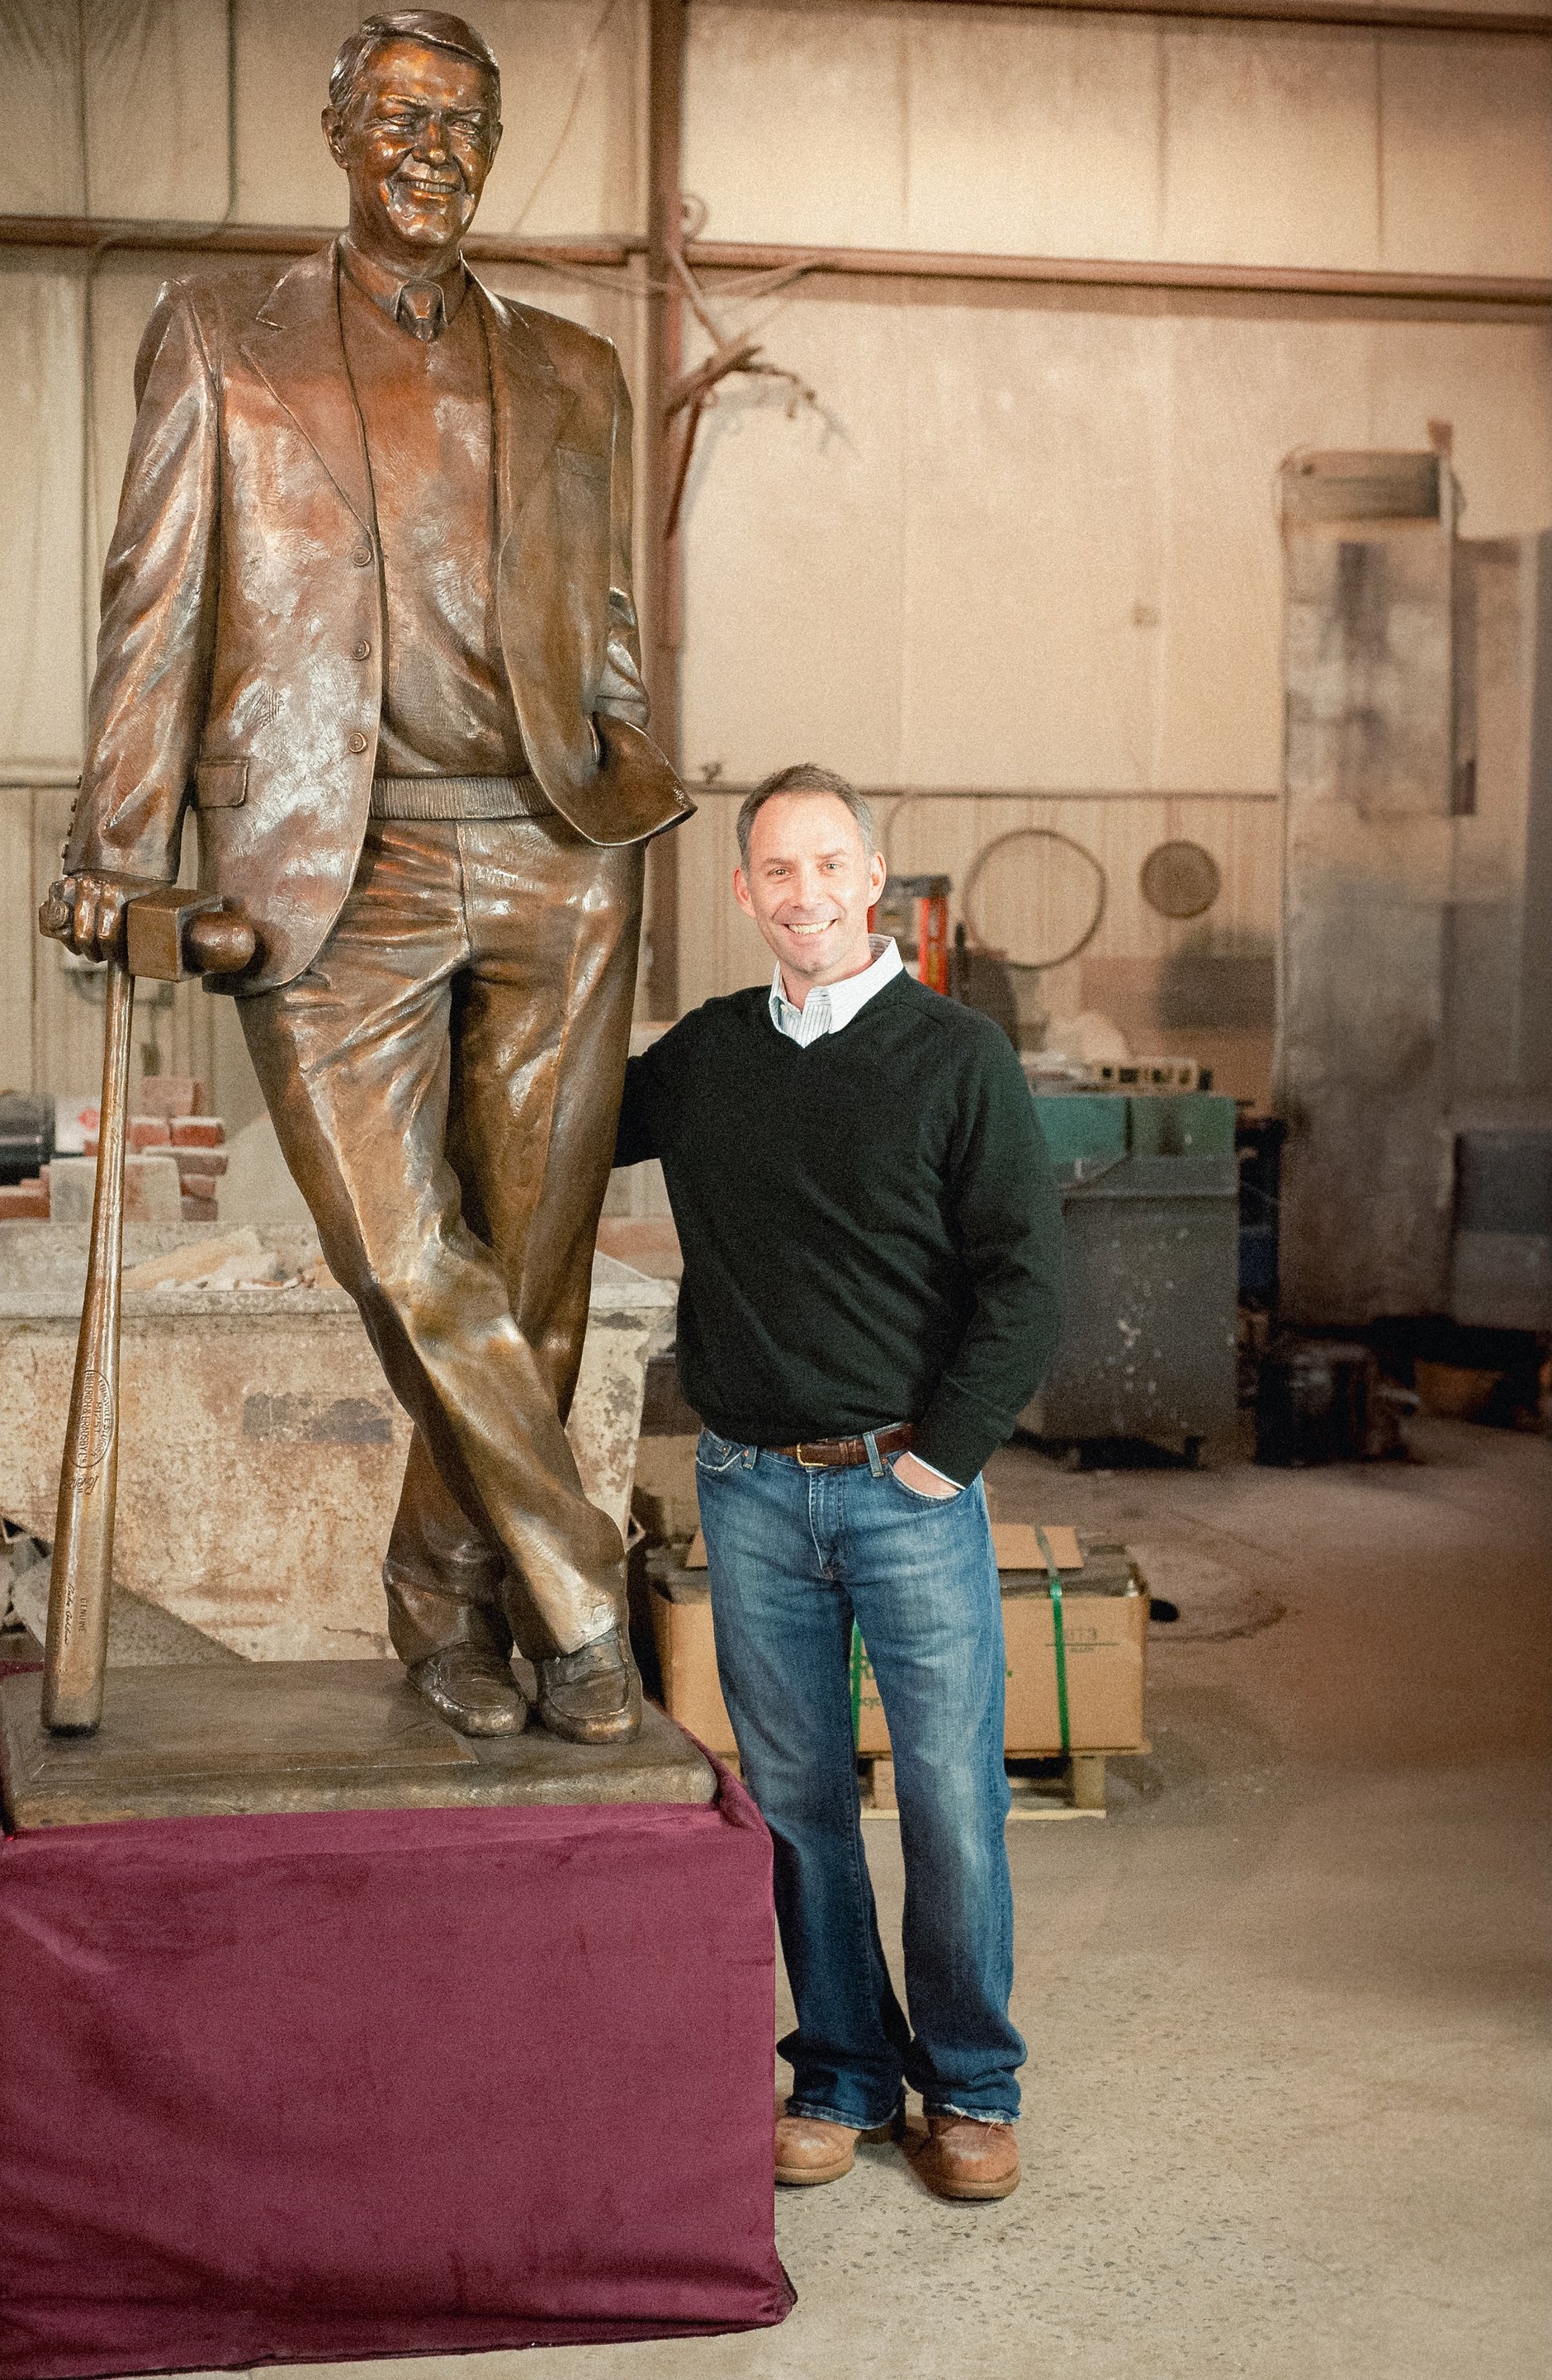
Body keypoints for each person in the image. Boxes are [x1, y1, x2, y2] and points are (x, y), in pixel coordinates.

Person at [46, 10, 691, 1744]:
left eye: (464, 122)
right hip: (333, 864)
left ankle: (447, 1601)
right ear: (338, 133)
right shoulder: (222, 336)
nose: (433, 150)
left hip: (557, 849)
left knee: (536, 1279)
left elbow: (602, 617)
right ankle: (582, 1594)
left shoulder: (576, 369)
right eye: (400, 117)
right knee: (406, 1255)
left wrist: (624, 751)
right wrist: (117, 851)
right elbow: (155, 599)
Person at [613, 764, 1063, 2200]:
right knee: (799, 1799)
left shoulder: (957, 1056)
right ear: (742, 892)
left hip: (904, 1485)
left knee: (947, 1794)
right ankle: (844, 2073)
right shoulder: (704, 1056)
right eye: (776, 870)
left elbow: (1026, 1280)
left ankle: (971, 2086)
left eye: (828, 865)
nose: (803, 893)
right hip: (748, 1490)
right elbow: (549, 1117)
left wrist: (944, 1454)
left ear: (874, 878)